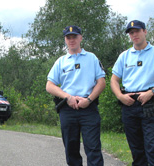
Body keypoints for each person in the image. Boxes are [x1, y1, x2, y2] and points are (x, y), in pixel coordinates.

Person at [110, 20, 154, 166]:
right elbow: (114, 80)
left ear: (144, 31)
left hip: (148, 102)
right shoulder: (124, 56)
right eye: (131, 33)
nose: (134, 35)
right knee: (136, 149)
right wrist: (120, 96)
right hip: (129, 103)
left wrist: (152, 92)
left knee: (153, 148)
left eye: (137, 31)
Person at [46, 25, 106, 166]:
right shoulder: (61, 61)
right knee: (71, 149)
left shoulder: (91, 58)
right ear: (65, 40)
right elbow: (49, 85)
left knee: (93, 148)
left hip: (88, 107)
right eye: (68, 37)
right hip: (68, 109)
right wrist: (68, 97)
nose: (71, 40)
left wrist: (89, 99)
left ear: (81, 38)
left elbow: (101, 82)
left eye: (74, 36)